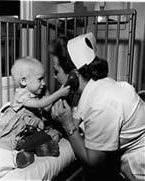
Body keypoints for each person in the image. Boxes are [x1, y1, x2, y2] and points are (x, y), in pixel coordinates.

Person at [50, 33, 145, 181]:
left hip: (139, 164)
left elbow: (93, 163)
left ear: (73, 75)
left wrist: (66, 123)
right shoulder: (97, 85)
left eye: (56, 71)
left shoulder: (101, 104)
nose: (55, 77)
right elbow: (78, 119)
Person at [0, 56, 70, 168]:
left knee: (48, 135)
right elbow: (40, 104)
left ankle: (38, 148)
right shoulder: (21, 94)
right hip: (16, 130)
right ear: (24, 81)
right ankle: (19, 156)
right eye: (40, 79)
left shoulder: (35, 95)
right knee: (7, 144)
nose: (44, 83)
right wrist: (59, 93)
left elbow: (44, 108)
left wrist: (55, 99)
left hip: (28, 130)